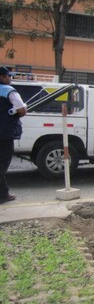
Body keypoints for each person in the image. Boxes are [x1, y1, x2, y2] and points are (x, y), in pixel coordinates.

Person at [0, 67, 27, 204]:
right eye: (8, 76)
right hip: (4, 134)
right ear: (2, 77)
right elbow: (22, 110)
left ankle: (4, 194)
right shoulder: (9, 91)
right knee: (3, 164)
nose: (10, 79)